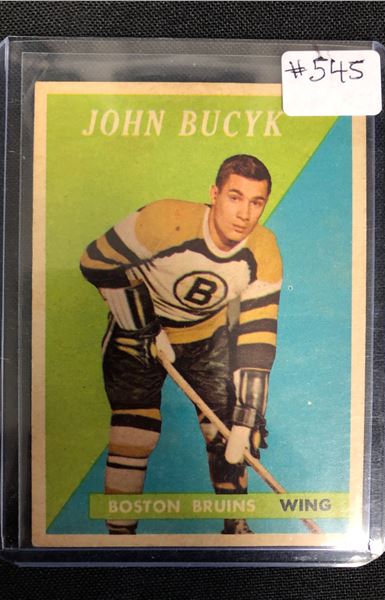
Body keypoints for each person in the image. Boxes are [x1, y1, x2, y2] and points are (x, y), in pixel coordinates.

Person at [80, 154, 282, 535]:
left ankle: (236, 527)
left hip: (206, 337)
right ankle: (120, 537)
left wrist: (248, 414)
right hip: (138, 329)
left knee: (227, 434)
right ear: (214, 194)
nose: (244, 214)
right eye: (235, 197)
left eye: (256, 202)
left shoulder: (263, 248)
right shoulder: (162, 220)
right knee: (133, 435)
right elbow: (95, 262)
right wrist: (145, 326)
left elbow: (258, 336)